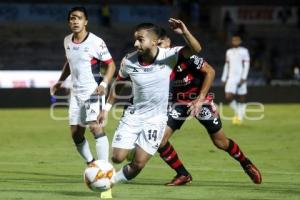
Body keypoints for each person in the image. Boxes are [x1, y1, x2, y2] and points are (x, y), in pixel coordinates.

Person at [98, 18, 202, 186]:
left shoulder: (170, 56)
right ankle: (131, 151)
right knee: (117, 158)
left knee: (138, 165)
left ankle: (109, 182)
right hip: (134, 115)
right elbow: (118, 84)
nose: (136, 43)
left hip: (157, 119)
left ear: (154, 41)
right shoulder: (128, 61)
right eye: (135, 39)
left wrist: (185, 32)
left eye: (140, 39)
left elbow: (196, 49)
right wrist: (106, 109)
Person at [156, 30, 262, 186]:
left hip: (200, 101)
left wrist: (201, 99)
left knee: (221, 143)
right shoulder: (156, 61)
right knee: (159, 140)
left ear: (168, 43)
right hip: (178, 103)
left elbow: (210, 71)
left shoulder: (185, 55)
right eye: (156, 45)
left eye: (161, 43)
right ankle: (183, 174)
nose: (159, 47)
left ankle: (245, 163)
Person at [50, 6, 116, 195]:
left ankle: (105, 174)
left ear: (86, 21)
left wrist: (104, 84)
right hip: (76, 93)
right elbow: (69, 63)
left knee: (95, 127)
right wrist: (60, 82)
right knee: (76, 134)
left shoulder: (96, 42)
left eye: (79, 18)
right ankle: (92, 165)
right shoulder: (67, 41)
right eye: (72, 18)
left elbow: (111, 65)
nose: (75, 21)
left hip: (93, 91)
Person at [221, 34, 250, 125]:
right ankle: (239, 112)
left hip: (240, 77)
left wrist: (244, 77)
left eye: (237, 40)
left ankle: (240, 116)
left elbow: (246, 65)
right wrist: (224, 77)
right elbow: (226, 65)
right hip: (231, 77)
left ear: (240, 41)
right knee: (228, 97)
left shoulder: (244, 51)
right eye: (234, 40)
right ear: (232, 42)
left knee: (241, 97)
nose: (235, 42)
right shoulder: (228, 52)